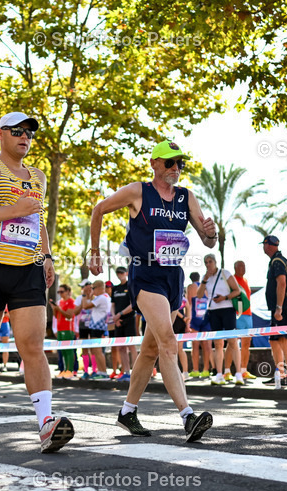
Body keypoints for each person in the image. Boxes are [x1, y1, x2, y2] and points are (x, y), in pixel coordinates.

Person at [0, 111, 73, 453]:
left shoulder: (38, 176)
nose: (25, 137)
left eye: (30, 133)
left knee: (33, 346)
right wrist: (14, 209)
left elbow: (37, 219)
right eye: (18, 131)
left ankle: (46, 425)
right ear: (1, 134)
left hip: (27, 269)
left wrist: (47, 256)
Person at [89, 140, 217, 442]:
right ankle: (188, 417)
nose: (176, 168)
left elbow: (208, 239)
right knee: (169, 342)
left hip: (173, 276)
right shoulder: (138, 191)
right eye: (170, 162)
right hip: (145, 274)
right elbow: (99, 210)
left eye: (180, 163)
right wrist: (94, 252)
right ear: (155, 163)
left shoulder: (187, 197)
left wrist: (212, 233)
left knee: (150, 349)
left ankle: (127, 411)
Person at [197, 254, 242, 386]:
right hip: (214, 311)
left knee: (232, 341)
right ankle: (219, 373)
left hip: (228, 309)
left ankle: (238, 373)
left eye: (210, 261)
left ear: (215, 262)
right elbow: (199, 295)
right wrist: (204, 279)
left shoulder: (225, 273)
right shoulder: (206, 278)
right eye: (206, 262)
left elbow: (237, 290)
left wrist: (225, 297)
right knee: (218, 343)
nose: (208, 264)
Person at [262, 236, 287, 388]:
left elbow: (282, 283)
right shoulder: (276, 260)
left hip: (281, 308)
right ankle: (280, 373)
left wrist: (279, 307)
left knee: (283, 339)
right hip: (276, 308)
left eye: (264, 244)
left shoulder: (278, 261)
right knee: (274, 340)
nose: (263, 247)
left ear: (269, 245)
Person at [79, 280, 112, 378]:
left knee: (97, 350)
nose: (92, 291)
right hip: (98, 326)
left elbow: (85, 306)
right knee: (96, 350)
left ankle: (103, 372)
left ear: (99, 288)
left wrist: (84, 295)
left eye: (93, 288)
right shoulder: (103, 298)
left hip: (98, 326)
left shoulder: (101, 297)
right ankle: (101, 372)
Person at [110, 266, 136, 381]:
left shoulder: (130, 286)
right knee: (121, 347)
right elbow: (113, 305)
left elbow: (133, 305)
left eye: (121, 273)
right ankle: (126, 371)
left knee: (131, 346)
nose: (119, 275)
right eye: (118, 273)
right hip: (118, 321)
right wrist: (115, 318)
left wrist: (120, 314)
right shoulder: (115, 289)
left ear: (126, 273)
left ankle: (136, 371)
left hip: (129, 319)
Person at [232, 261, 255, 382]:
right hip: (237, 314)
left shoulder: (245, 280)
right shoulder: (232, 280)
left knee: (247, 342)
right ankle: (227, 371)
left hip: (248, 314)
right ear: (235, 268)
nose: (243, 268)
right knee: (233, 342)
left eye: (244, 266)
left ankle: (243, 369)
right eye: (240, 266)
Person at [50, 284, 78, 378]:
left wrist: (59, 309)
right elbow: (55, 315)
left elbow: (69, 315)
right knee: (63, 351)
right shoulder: (59, 302)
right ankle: (64, 370)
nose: (60, 294)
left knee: (69, 350)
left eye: (62, 291)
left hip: (68, 329)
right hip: (60, 329)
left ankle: (70, 370)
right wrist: (54, 308)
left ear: (67, 291)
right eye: (59, 292)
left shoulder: (71, 301)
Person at [186, 271, 210, 379]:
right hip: (205, 317)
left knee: (195, 345)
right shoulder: (205, 286)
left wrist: (188, 320)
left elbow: (189, 303)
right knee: (206, 345)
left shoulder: (190, 287)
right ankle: (206, 369)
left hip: (195, 317)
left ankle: (195, 370)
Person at [0, 308, 11, 372]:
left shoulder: (8, 304)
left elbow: (10, 315)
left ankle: (5, 365)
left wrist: (5, 314)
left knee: (5, 346)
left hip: (5, 324)